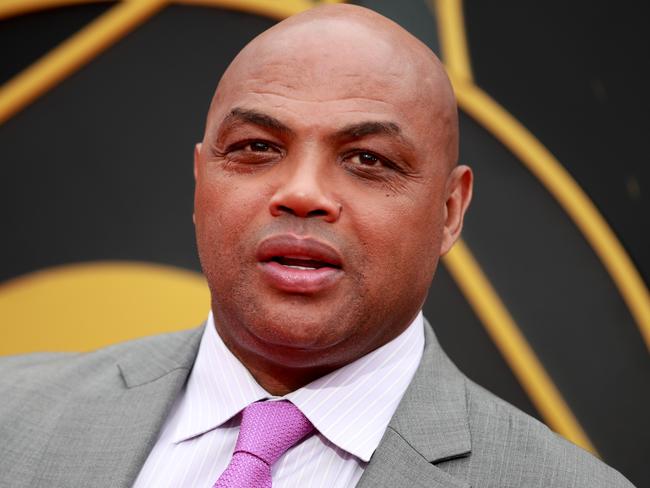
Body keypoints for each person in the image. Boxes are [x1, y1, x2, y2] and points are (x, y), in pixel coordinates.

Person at [0, 4, 634, 487]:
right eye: (256, 148)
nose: (302, 193)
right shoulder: (13, 418)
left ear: (449, 211)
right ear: (200, 182)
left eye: (367, 159)